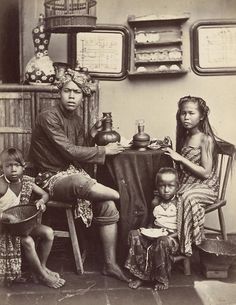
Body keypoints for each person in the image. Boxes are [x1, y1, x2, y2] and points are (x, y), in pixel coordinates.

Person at [29, 68, 129, 282]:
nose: (72, 96)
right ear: (60, 93)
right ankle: (121, 196)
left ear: (83, 95)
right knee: (81, 181)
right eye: (67, 91)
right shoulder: (48, 117)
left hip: (70, 174)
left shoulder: (75, 119)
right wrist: (104, 150)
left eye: (77, 92)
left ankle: (110, 264)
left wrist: (92, 133)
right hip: (49, 178)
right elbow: (69, 151)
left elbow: (79, 151)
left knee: (107, 205)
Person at [0, 147, 65, 288]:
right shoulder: (1, 185)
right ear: (2, 168)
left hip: (21, 224)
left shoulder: (27, 182)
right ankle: (42, 276)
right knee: (28, 241)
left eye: (17, 165)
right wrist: (4, 215)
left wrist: (41, 202)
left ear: (23, 166)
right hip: (5, 227)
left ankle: (41, 267)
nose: (13, 169)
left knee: (48, 232)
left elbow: (45, 195)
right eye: (8, 166)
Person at [162, 96, 220, 256]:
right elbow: (182, 169)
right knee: (163, 192)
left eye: (191, 113)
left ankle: (184, 246)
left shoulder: (205, 139)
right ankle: (166, 241)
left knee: (186, 197)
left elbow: (206, 173)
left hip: (206, 187)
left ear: (201, 116)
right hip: (187, 183)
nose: (186, 117)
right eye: (183, 113)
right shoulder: (185, 136)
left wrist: (180, 158)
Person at [125, 167, 181, 291]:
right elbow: (152, 222)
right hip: (157, 234)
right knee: (135, 234)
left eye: (170, 186)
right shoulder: (155, 203)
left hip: (173, 239)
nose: (166, 190)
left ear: (177, 186)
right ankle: (140, 276)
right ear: (157, 186)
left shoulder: (180, 204)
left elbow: (183, 230)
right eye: (162, 186)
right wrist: (147, 231)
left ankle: (161, 278)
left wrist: (167, 236)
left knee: (161, 242)